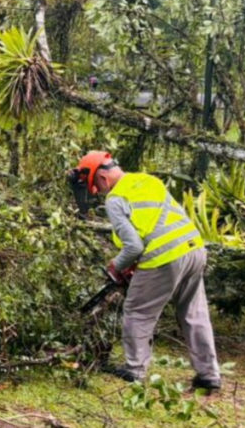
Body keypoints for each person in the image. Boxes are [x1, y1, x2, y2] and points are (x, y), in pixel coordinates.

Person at [74, 151, 221, 391]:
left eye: (97, 188)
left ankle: (134, 370)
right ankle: (209, 375)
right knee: (195, 313)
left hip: (164, 257)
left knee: (137, 311)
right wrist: (134, 263)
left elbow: (134, 245)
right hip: (194, 249)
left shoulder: (116, 198)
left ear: (102, 176)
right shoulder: (146, 180)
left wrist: (117, 265)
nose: (100, 194)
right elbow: (156, 225)